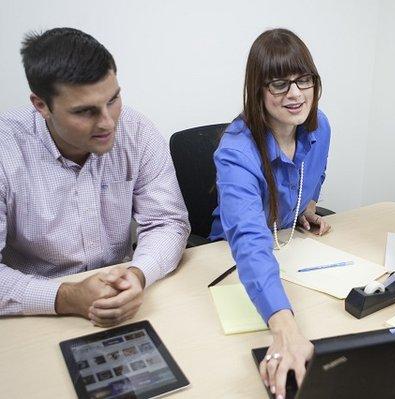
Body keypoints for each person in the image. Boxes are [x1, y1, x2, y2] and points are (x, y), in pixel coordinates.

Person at [0, 28, 190, 326]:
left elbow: (168, 222)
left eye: (113, 100)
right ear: (41, 106)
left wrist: (137, 275)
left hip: (126, 300)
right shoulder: (5, 149)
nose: (108, 122)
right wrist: (65, 296)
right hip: (35, 314)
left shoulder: (137, 131)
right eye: (85, 111)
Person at [209, 28, 331, 398]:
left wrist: (301, 207)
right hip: (234, 264)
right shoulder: (236, 151)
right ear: (257, 90)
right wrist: (285, 329)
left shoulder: (320, 125)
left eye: (303, 80)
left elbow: (315, 175)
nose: (295, 94)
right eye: (279, 84)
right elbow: (247, 239)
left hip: (289, 249)